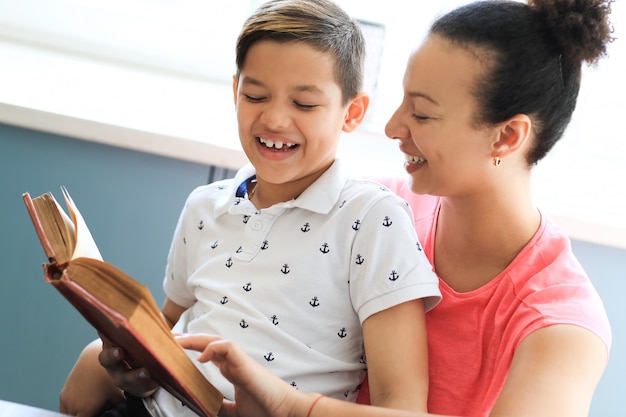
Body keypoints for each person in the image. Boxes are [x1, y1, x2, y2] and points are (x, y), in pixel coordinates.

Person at [178, 0, 614, 416]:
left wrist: (292, 407)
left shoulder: (561, 322)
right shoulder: (365, 207)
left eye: (422, 114)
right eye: (403, 99)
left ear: (505, 137)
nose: (391, 128)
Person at [58, 1, 442, 416]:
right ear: (235, 91)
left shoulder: (373, 219)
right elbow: (165, 328)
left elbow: (403, 409)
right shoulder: (205, 205)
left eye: (304, 104)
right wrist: (117, 362)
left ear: (352, 113)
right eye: (256, 95)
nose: (275, 119)